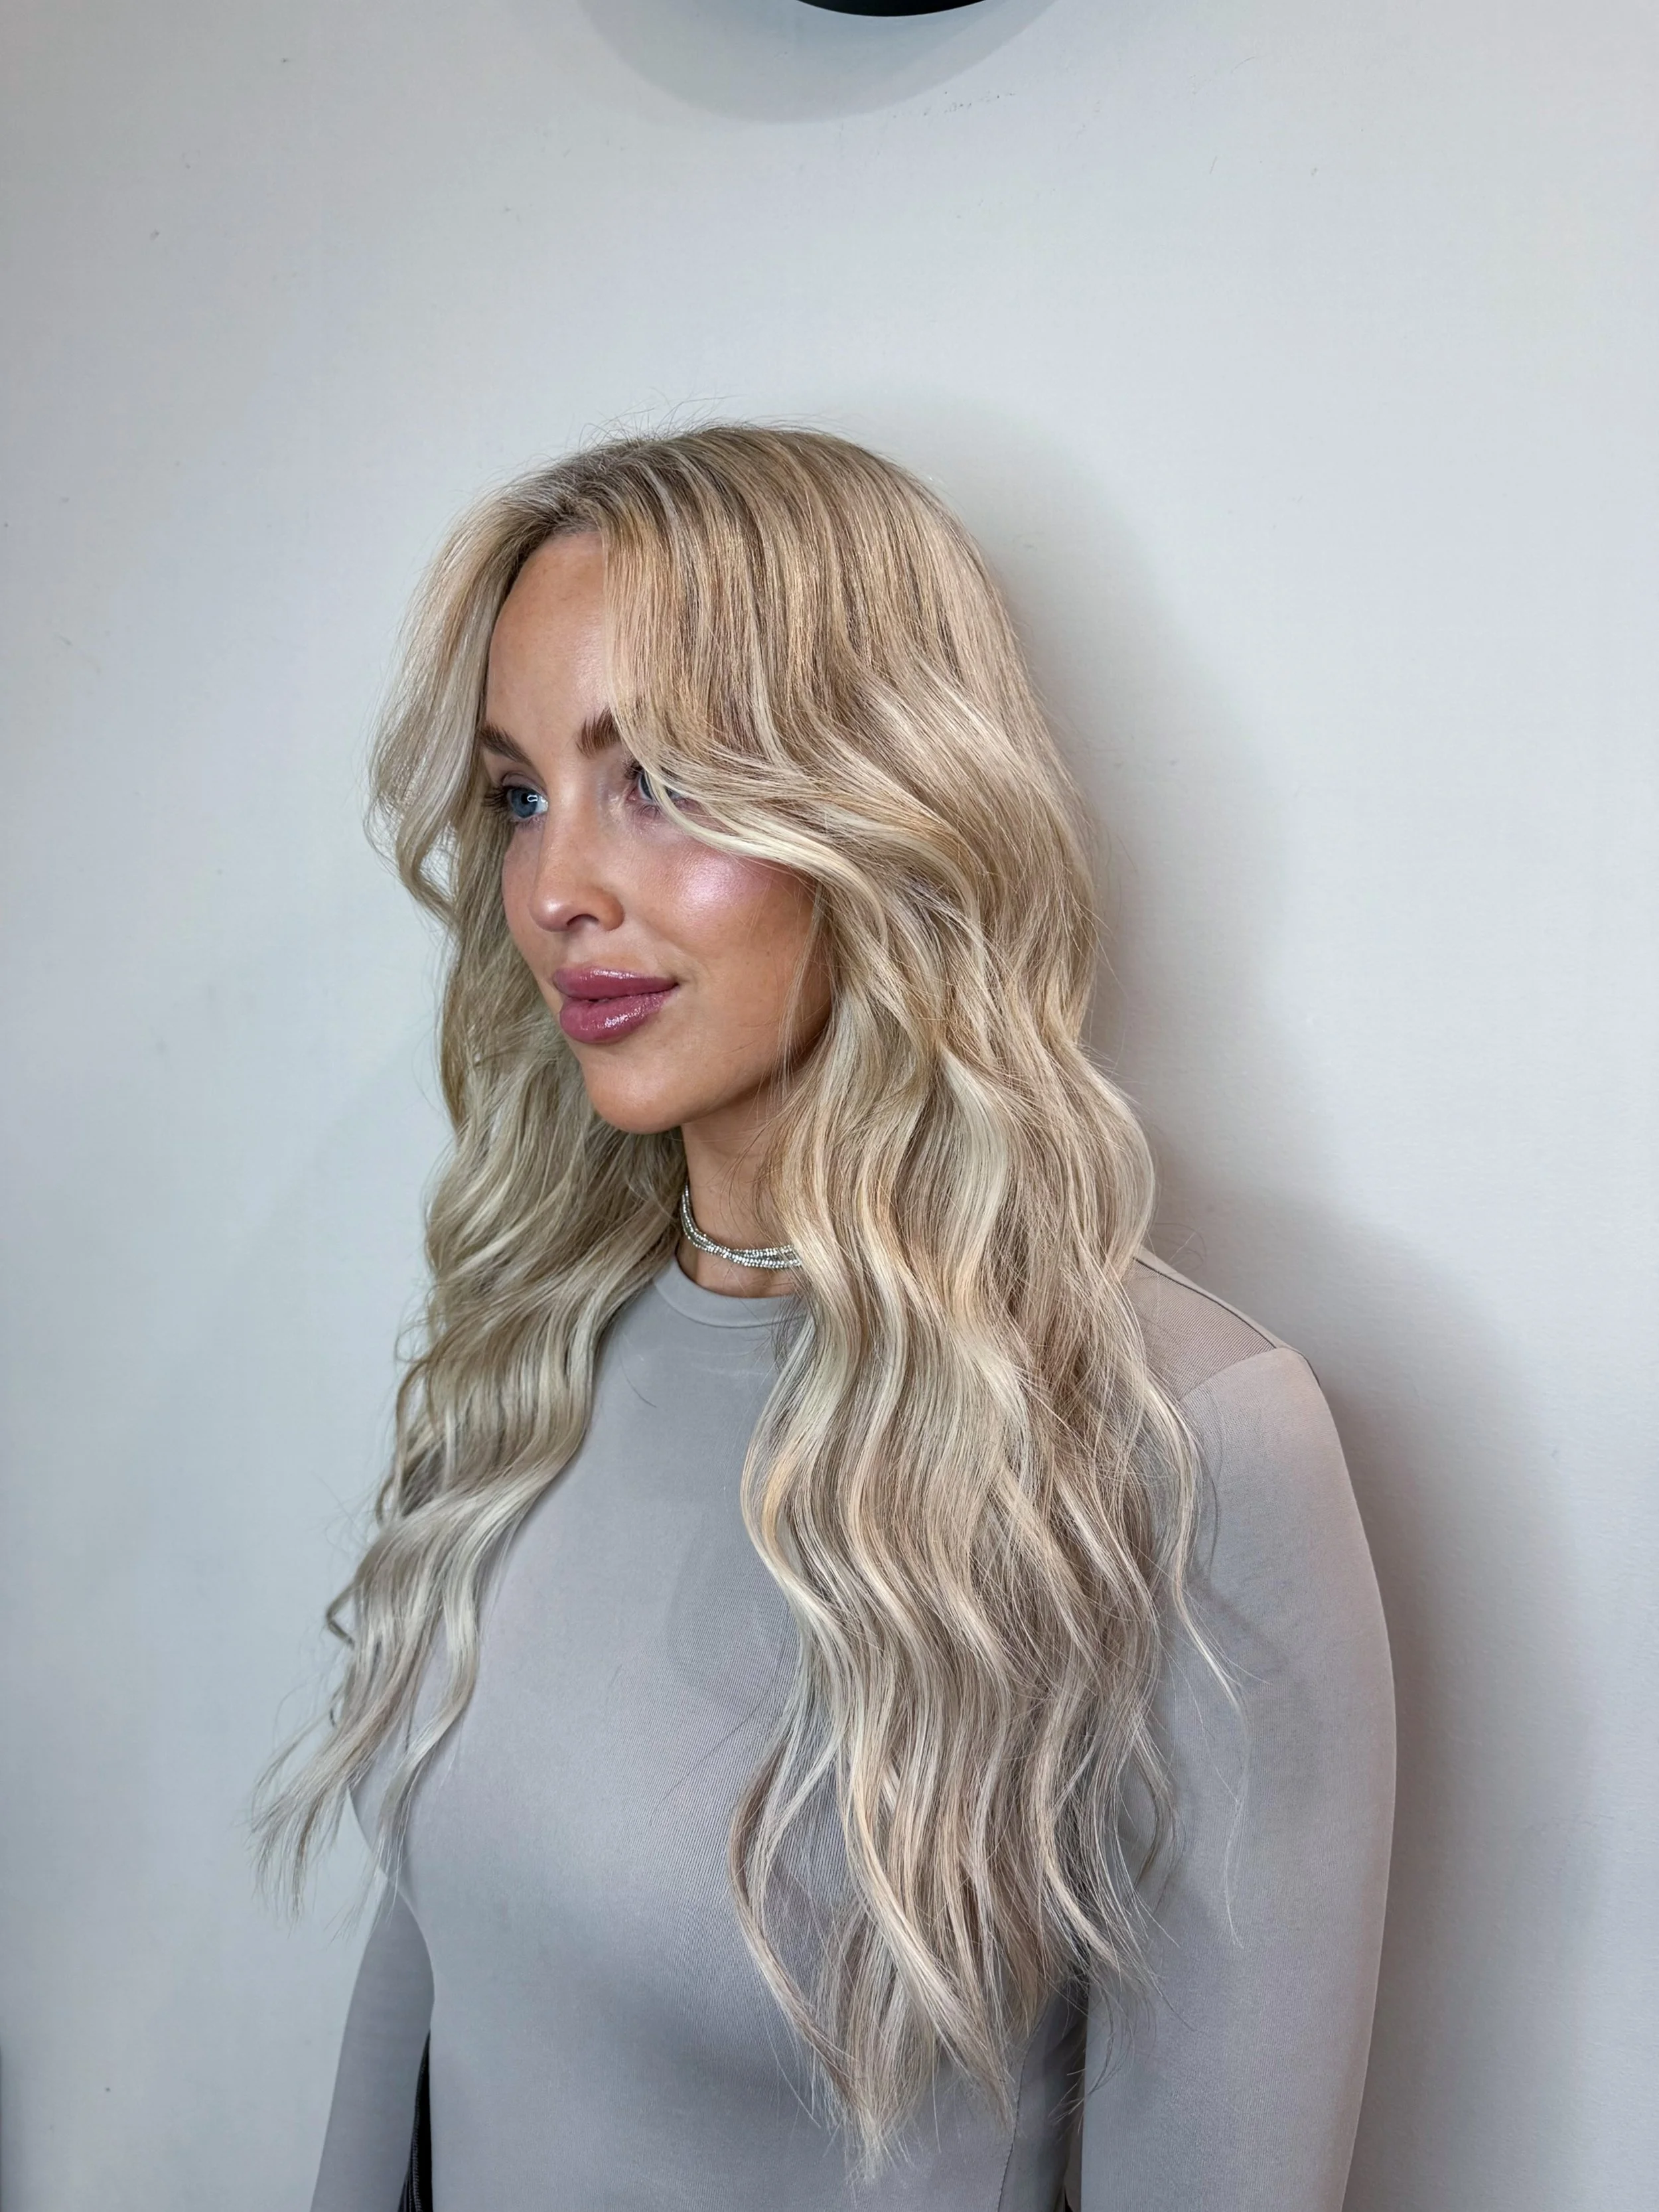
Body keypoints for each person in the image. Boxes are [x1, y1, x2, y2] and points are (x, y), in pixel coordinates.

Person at [257, 425, 1395, 2211]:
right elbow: (423, 2013)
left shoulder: (1187, 1440)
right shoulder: (544, 1357)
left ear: (880, 798)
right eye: (518, 793)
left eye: (664, 780)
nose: (557, 889)